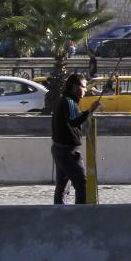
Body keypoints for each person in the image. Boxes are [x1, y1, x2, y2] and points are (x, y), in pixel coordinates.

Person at [51, 73, 99, 204]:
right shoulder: (69, 101)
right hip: (68, 153)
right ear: (74, 87)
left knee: (62, 187)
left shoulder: (64, 100)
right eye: (84, 86)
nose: (86, 90)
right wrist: (90, 111)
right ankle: (79, 216)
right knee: (82, 185)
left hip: (59, 150)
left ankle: (60, 215)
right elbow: (74, 121)